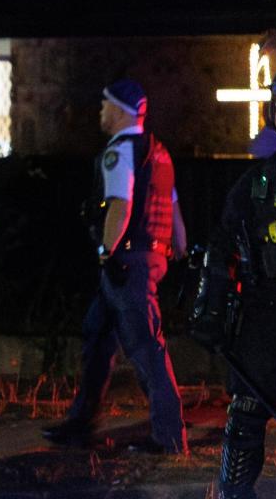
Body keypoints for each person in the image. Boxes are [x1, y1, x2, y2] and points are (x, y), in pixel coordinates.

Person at [42, 79, 188, 454]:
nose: (100, 112)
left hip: (126, 264)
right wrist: (177, 247)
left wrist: (107, 253)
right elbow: (172, 209)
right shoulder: (158, 152)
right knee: (97, 337)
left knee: (145, 347)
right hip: (150, 257)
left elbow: (119, 206)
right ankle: (79, 423)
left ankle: (169, 438)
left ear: (122, 110)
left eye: (105, 106)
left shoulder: (120, 151)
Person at [191, 70, 276, 499]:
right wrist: (209, 307)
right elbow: (222, 244)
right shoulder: (256, 183)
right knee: (246, 418)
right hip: (266, 312)